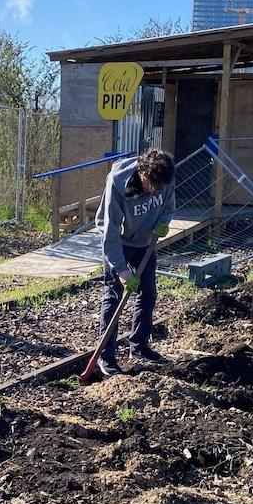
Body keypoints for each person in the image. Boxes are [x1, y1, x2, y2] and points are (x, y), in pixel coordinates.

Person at [96, 148, 176, 376]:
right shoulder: (118, 184)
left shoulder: (165, 176)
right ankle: (106, 356)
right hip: (118, 242)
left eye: (160, 187)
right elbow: (109, 232)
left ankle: (139, 346)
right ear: (142, 173)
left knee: (148, 294)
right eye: (152, 185)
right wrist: (122, 271)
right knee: (114, 295)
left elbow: (168, 207)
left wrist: (164, 221)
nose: (156, 191)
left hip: (145, 242)